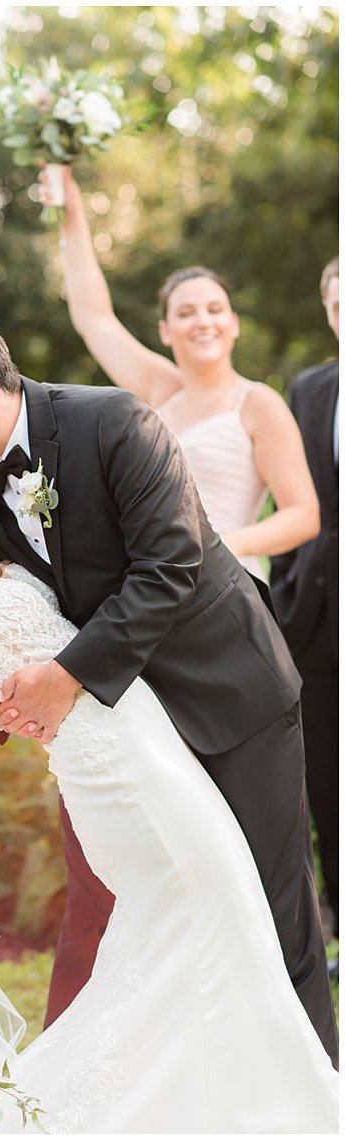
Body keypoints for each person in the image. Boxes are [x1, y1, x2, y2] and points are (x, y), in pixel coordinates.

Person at [0, 412, 338, 1130]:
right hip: (121, 784)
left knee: (203, 933)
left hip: (151, 753)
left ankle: (215, 1104)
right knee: (216, 920)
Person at [0, 320, 337, 1068]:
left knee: (269, 902)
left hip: (231, 693)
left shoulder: (114, 421)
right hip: (127, 723)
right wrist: (1, 700)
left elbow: (170, 565)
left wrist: (66, 678)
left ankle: (316, 1091)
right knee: (170, 916)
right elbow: (15, 596)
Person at [51, 167, 318, 580]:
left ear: (234, 323)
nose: (202, 322)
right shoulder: (162, 389)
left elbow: (303, 515)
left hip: (223, 578)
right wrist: (71, 214)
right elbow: (94, 318)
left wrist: (227, 546)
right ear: (166, 330)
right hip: (152, 576)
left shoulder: (257, 402)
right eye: (186, 312)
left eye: (214, 310)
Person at [271, 256, 341, 939]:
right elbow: (295, 495)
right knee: (326, 783)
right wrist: (288, 589)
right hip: (318, 620)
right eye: (338, 303)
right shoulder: (311, 389)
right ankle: (340, 924)